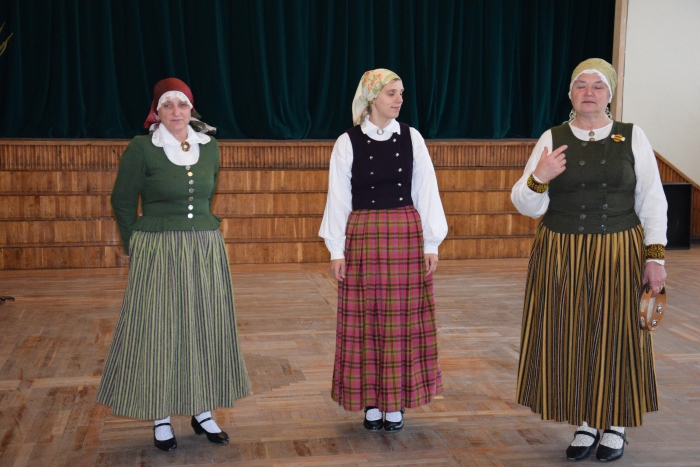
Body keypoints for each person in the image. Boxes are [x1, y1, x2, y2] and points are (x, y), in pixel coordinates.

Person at [511, 58, 667, 462]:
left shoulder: (632, 136)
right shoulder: (552, 137)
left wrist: (655, 257)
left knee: (617, 333)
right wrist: (540, 176)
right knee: (572, 333)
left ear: (609, 95)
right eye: (581, 85)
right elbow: (526, 205)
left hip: (619, 250)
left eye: (598, 86)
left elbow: (652, 199)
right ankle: (585, 420)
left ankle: (615, 423)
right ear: (570, 94)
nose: (589, 92)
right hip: (561, 252)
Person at [96, 78, 250, 451]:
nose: (176, 112)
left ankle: (202, 410)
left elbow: (208, 197)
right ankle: (160, 415)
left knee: (204, 325)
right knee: (159, 329)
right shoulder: (142, 148)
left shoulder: (209, 146)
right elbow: (121, 200)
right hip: (158, 247)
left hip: (204, 247)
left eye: (182, 104)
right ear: (157, 112)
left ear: (191, 109)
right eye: (168, 105)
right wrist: (136, 244)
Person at [319, 69, 448, 432]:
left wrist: (431, 242)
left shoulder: (411, 137)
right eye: (391, 93)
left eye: (401, 93)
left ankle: (396, 401)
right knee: (366, 318)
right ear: (372, 97)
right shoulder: (347, 142)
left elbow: (426, 189)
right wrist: (336, 250)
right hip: (363, 235)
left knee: (401, 320)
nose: (399, 99)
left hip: (405, 233)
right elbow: (338, 197)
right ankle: (372, 400)